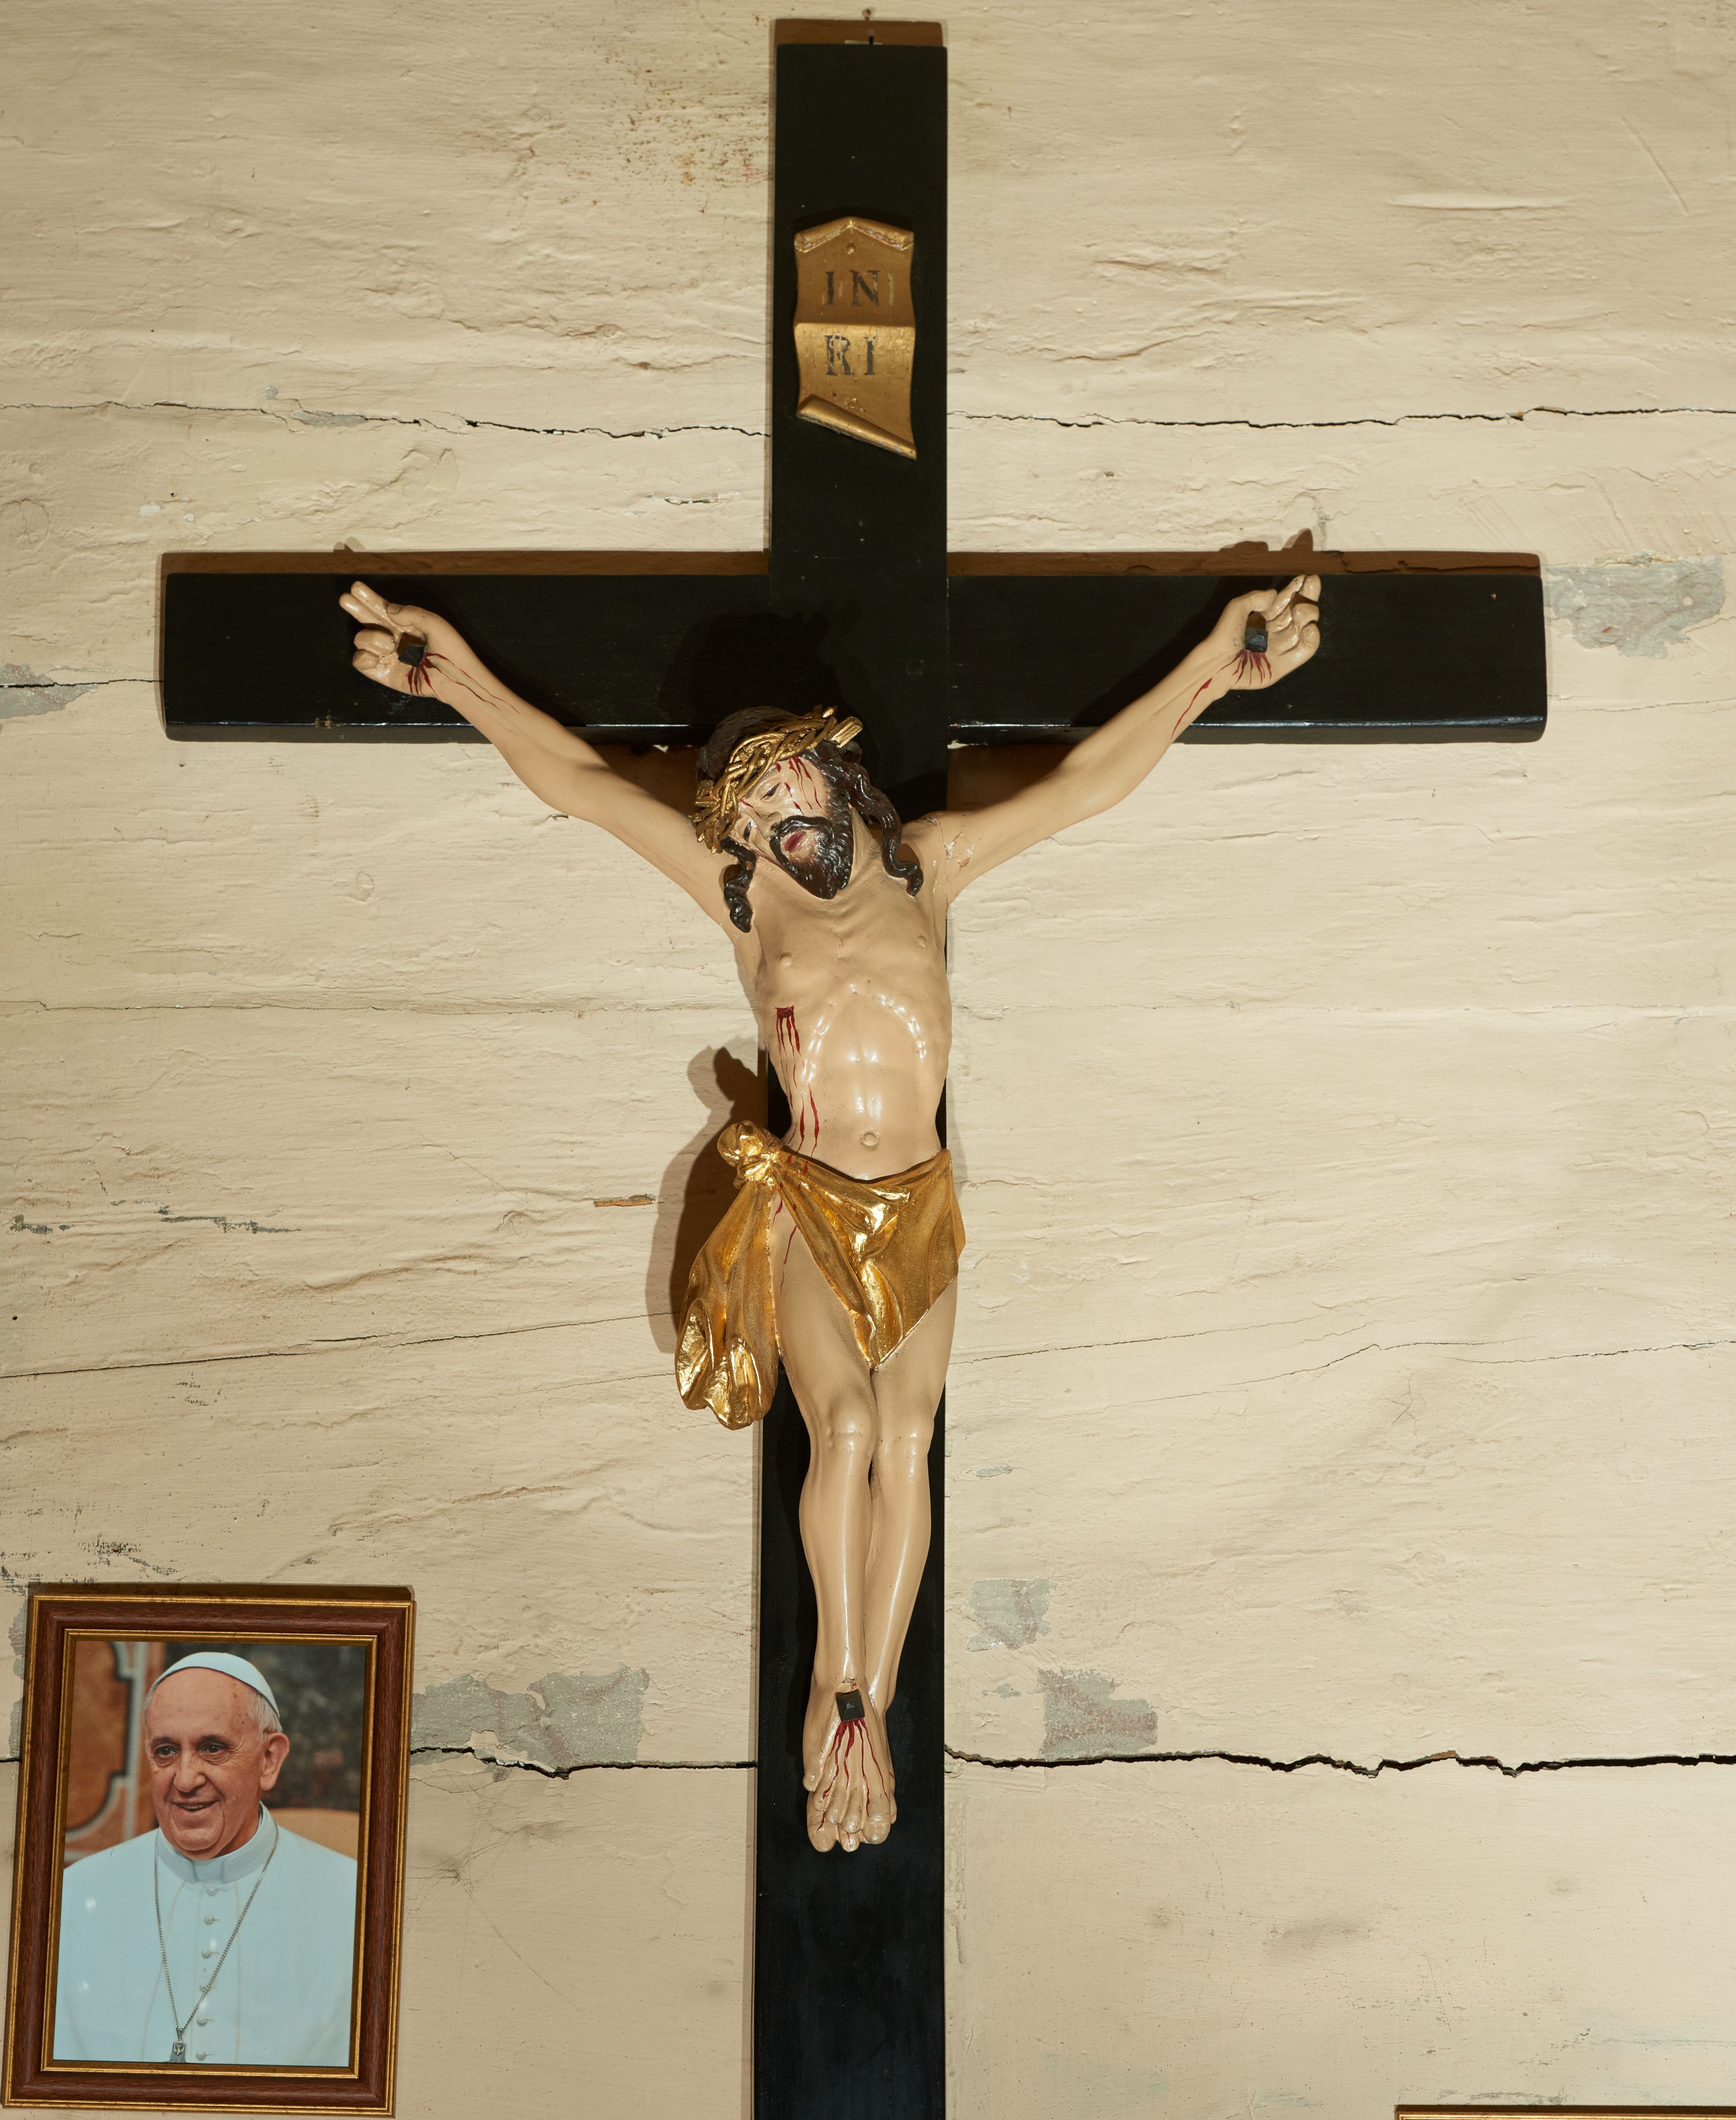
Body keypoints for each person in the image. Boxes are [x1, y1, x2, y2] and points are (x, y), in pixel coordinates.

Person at [341, 572, 1322, 1854]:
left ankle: (876, 1707)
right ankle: (835, 1679)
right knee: (845, 1425)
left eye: (781, 784)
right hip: (808, 1197)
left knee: (909, 1440)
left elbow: (1086, 784)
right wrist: (454, 676)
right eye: (747, 811)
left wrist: (1213, 670)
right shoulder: (745, 904)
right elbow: (580, 784)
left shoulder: (933, 867)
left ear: (831, 764)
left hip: (919, 1198)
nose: (772, 817)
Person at [54, 1652, 357, 2066]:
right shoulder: (76, 1895)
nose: (184, 1780)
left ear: (269, 1760)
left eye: (213, 1748)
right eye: (166, 1751)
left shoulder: (353, 1900)